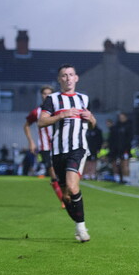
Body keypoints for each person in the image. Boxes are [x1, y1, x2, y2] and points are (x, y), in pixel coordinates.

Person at [37, 64, 97, 242]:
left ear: (76, 78)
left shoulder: (84, 99)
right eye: (64, 75)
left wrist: (91, 119)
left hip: (78, 148)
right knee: (65, 195)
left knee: (72, 186)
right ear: (59, 79)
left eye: (71, 75)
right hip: (58, 150)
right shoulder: (52, 99)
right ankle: (78, 225)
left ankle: (82, 228)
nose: (68, 78)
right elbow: (41, 122)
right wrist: (62, 115)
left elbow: (92, 124)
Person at [24, 85, 65, 207]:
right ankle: (63, 200)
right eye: (44, 93)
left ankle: (67, 195)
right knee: (52, 171)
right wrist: (31, 142)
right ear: (41, 95)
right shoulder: (36, 112)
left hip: (61, 145)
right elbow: (26, 125)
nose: (46, 96)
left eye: (49, 93)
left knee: (62, 172)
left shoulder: (59, 109)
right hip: (45, 147)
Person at [108, 112, 133, 184]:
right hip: (116, 149)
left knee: (125, 164)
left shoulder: (129, 126)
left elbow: (129, 138)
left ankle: (127, 179)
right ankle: (118, 178)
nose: (121, 118)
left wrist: (126, 147)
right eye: (120, 117)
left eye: (122, 117)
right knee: (116, 164)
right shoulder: (117, 127)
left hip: (125, 149)